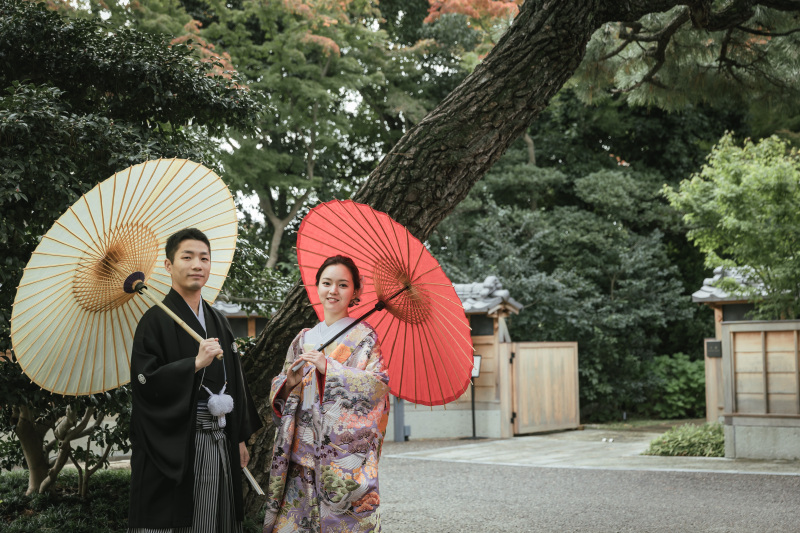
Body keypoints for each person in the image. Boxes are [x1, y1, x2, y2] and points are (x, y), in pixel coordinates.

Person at [128, 228, 262, 533]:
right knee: (184, 518)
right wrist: (193, 364)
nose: (197, 265)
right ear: (168, 265)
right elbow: (144, 383)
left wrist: (239, 436)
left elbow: (236, 382)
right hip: (181, 439)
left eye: (204, 258)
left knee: (217, 517)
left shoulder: (219, 321)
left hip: (221, 435)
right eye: (187, 257)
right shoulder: (154, 322)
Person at [263, 255, 391, 533]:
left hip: (338, 456)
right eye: (327, 283)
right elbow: (280, 385)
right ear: (317, 286)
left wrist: (329, 369)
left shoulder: (364, 337)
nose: (333, 291)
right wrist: (289, 382)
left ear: (355, 291)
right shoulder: (303, 337)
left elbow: (377, 386)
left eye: (343, 285)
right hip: (300, 448)